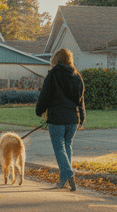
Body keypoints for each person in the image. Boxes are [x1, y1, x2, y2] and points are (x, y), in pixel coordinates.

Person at [35, 48, 86, 191]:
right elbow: (80, 99)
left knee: (59, 148)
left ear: (56, 59)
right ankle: (64, 180)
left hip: (57, 118)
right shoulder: (77, 75)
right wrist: (82, 118)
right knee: (67, 146)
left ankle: (68, 173)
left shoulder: (53, 74)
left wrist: (39, 111)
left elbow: (45, 95)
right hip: (72, 119)